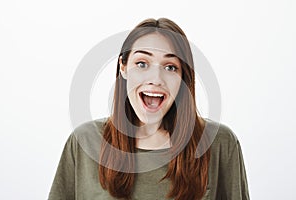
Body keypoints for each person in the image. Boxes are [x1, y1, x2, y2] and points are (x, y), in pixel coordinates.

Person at [48, 18, 250, 200]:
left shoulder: (218, 143)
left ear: (182, 78)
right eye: (142, 64)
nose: (156, 79)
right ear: (123, 67)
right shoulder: (84, 141)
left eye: (170, 67)